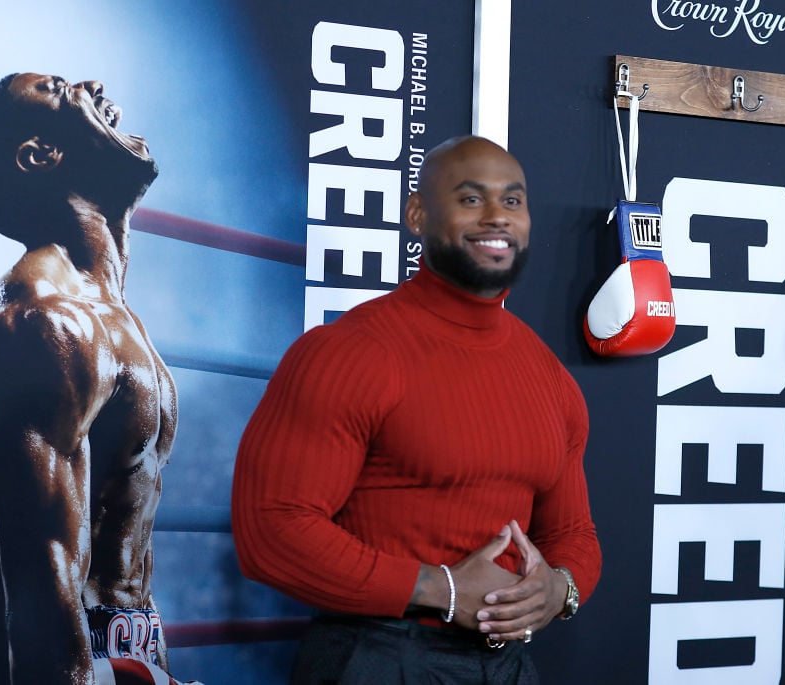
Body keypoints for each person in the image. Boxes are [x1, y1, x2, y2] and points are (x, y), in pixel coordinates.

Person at [232, 135, 601, 683]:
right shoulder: (351, 351)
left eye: (513, 201)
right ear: (417, 213)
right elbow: (272, 531)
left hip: (509, 665)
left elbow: (573, 531)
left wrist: (559, 589)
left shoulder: (550, 377)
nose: (497, 217)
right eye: (471, 199)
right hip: (380, 654)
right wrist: (440, 589)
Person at [0, 73, 187, 685]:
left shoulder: (105, 313)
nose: (93, 86)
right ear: (39, 155)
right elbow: (40, 577)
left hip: (123, 660)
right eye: (59, 90)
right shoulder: (43, 323)